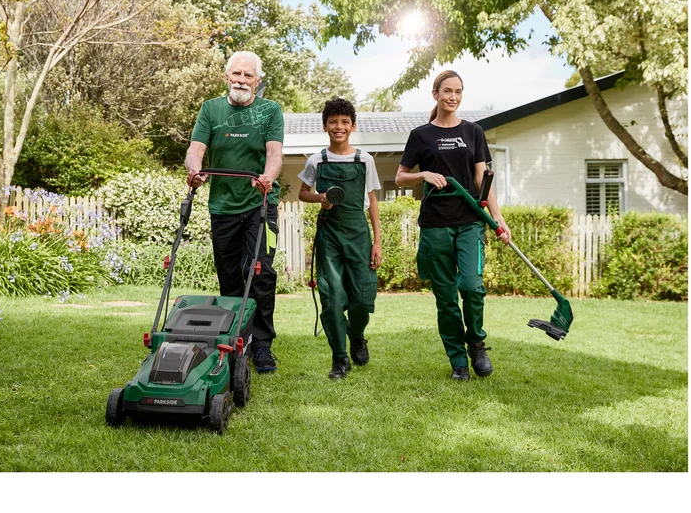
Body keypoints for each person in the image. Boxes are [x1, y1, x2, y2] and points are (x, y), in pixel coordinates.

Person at [395, 70, 511, 381]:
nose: (453, 96)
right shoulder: (421, 135)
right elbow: (400, 176)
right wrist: (423, 175)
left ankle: (476, 342)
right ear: (435, 94)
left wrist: (498, 218)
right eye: (447, 91)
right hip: (435, 224)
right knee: (445, 297)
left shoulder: (473, 132)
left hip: (470, 220)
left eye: (458, 91)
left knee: (472, 286)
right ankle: (458, 361)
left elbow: (481, 178)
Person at [185, 51, 284, 373]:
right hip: (223, 205)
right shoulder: (210, 109)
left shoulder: (270, 110)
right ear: (227, 76)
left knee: (261, 273)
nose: (242, 80)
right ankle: (235, 340)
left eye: (248, 75)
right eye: (236, 74)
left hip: (261, 204)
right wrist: (195, 171)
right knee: (229, 277)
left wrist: (268, 177)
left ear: (257, 80)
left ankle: (263, 346)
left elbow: (274, 152)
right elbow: (196, 148)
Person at [298, 98, 382, 379]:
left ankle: (356, 334)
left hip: (358, 234)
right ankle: (340, 359)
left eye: (345, 122)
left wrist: (377, 241)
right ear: (325, 126)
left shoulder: (365, 160)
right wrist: (319, 198)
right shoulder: (316, 159)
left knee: (361, 297)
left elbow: (372, 201)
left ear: (353, 126)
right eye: (333, 121)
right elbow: (302, 193)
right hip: (330, 234)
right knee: (332, 298)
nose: (339, 127)